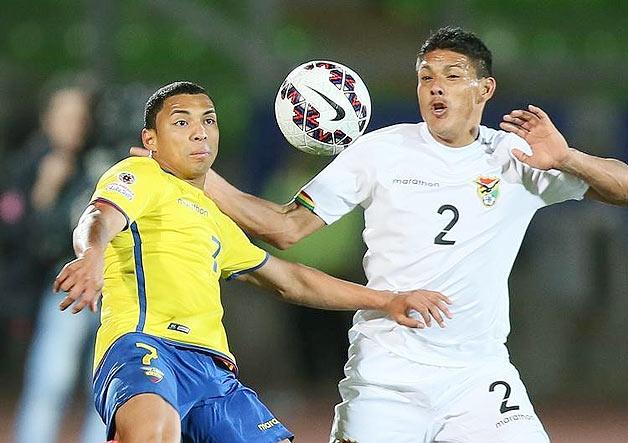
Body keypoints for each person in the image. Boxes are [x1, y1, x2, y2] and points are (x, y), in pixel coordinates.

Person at [195, 27, 628, 442]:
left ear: (484, 90)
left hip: (478, 376)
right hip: (388, 375)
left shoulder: (515, 158)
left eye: (452, 76)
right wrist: (203, 176)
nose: (435, 85)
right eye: (426, 76)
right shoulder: (378, 151)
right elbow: (285, 227)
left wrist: (568, 158)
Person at [54, 81, 451, 443]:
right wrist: (92, 255)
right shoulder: (140, 173)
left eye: (208, 120)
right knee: (154, 432)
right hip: (145, 346)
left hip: (212, 370)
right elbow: (99, 216)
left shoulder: (213, 218)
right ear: (151, 140)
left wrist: (388, 300)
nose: (199, 131)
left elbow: (290, 279)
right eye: (181, 122)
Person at [12, 82, 107, 443]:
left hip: (107, 287)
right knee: (51, 379)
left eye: (81, 117)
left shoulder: (101, 161)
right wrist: (44, 194)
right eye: (66, 116)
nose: (75, 125)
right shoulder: (28, 166)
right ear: (47, 120)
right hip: (62, 288)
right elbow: (17, 238)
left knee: (103, 382)